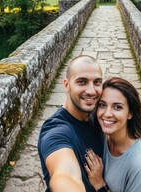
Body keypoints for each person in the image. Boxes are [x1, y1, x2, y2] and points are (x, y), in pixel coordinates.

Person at [38, 55, 104, 192]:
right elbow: (65, 175)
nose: (91, 91)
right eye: (82, 82)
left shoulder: (99, 116)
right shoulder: (56, 131)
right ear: (67, 85)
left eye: (97, 82)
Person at [84, 77, 141, 192]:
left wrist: (99, 184)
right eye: (102, 105)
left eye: (117, 107)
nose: (107, 114)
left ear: (130, 113)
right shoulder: (102, 135)